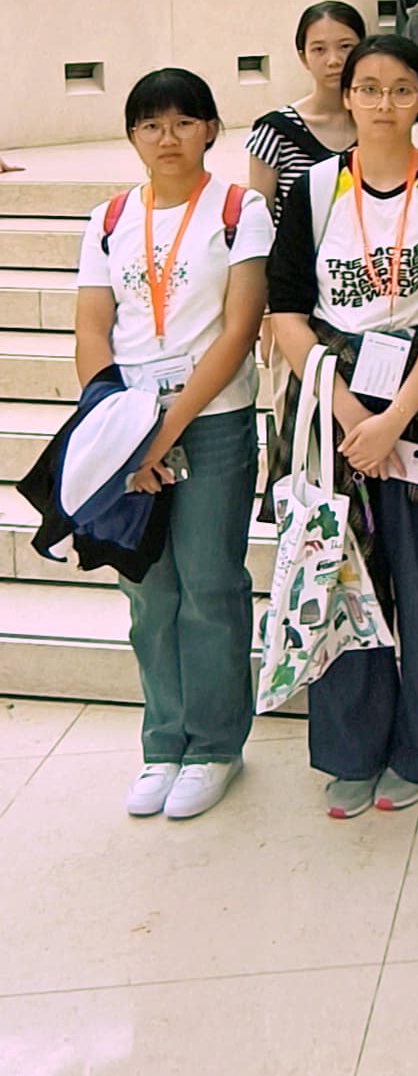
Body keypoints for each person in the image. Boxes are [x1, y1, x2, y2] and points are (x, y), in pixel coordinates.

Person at [268, 33, 418, 819]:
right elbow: (286, 311)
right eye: (368, 87)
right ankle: (351, 749)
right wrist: (349, 416)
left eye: (401, 89)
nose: (383, 103)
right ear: (348, 96)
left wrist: (394, 418)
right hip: (330, 400)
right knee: (340, 581)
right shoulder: (313, 189)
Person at [75, 68, 272, 821]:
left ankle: (215, 746)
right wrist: (122, 430)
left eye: (184, 122)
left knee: (210, 585)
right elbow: (92, 329)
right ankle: (163, 742)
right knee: (148, 590)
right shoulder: (108, 219)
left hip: (213, 419)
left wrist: (166, 429)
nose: (168, 138)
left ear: (211, 129)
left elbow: (240, 328)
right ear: (132, 135)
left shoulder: (238, 209)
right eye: (151, 125)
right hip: (128, 426)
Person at [247, 2, 364, 209]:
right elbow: (259, 219)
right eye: (319, 49)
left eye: (345, 47)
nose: (333, 60)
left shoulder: (380, 122)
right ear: (303, 57)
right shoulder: (275, 132)